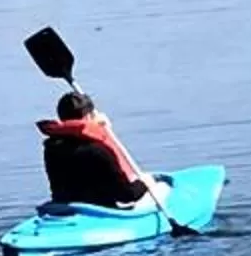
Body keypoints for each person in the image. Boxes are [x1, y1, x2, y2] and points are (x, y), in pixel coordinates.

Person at [38, 90, 169, 213]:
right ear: (89, 116)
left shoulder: (52, 148)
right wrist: (146, 183)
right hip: (100, 212)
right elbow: (127, 195)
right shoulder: (98, 151)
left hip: (64, 209)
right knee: (158, 188)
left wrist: (100, 130)